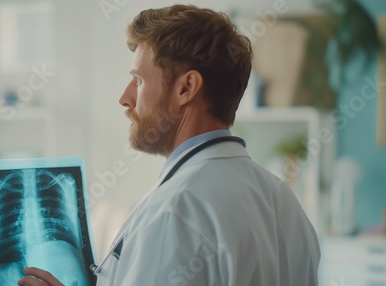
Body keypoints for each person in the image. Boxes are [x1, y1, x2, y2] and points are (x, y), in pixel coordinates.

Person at [18, 4, 320, 286]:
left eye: (138, 80)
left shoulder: (173, 211)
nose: (125, 98)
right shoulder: (285, 203)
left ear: (186, 88)